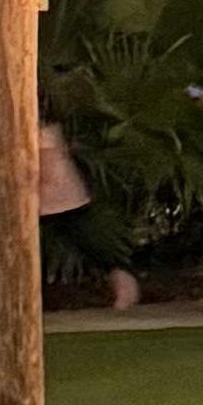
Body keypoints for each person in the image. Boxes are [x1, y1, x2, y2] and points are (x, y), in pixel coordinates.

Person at [33, 105, 138, 310]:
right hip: (53, 201)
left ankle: (125, 286)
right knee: (93, 248)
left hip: (60, 201)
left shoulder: (44, 134)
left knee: (96, 249)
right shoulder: (46, 133)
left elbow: (45, 168)